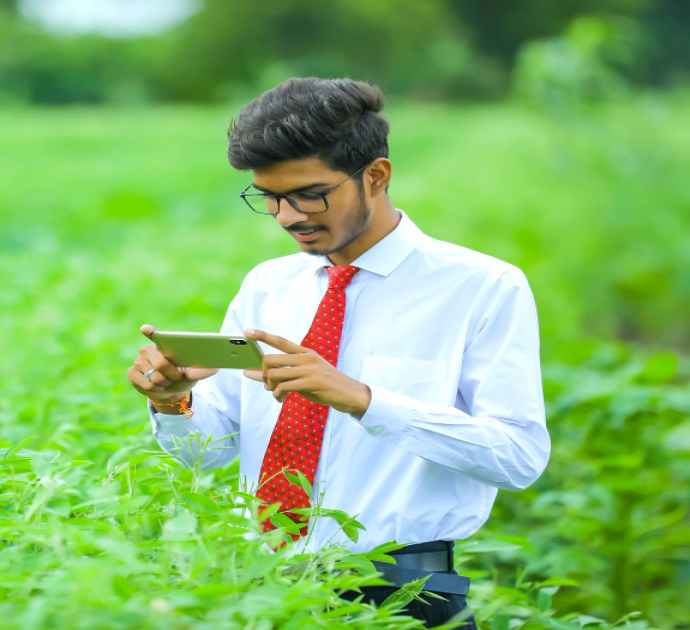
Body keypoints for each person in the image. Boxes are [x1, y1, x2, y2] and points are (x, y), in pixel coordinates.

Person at [126, 77, 551, 628]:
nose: (287, 216)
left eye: (309, 194)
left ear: (375, 175)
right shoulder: (268, 285)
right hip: (264, 593)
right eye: (270, 197)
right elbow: (212, 451)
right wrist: (173, 402)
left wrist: (362, 399)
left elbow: (517, 456)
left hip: (402, 598)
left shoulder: (481, 286)